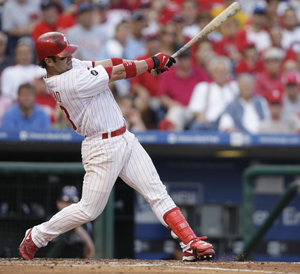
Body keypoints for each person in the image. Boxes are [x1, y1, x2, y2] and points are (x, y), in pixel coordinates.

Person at [19, 31, 215, 262]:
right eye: (63, 56)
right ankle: (37, 236)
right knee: (89, 210)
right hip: (101, 146)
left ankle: (190, 243)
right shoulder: (67, 81)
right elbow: (118, 72)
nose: (69, 57)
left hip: (124, 136)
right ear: (49, 61)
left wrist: (149, 65)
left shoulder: (70, 67)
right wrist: (152, 62)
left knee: (157, 192)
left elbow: (110, 63)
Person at [158, 47, 211, 131]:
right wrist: (171, 103)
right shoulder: (169, 74)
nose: (185, 60)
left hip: (197, 110)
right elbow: (162, 95)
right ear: (178, 59)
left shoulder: (199, 72)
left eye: (188, 57)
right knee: (176, 111)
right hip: (179, 108)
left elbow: (210, 88)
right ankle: (172, 139)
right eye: (183, 58)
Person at [188, 56, 238, 131]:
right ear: (212, 72)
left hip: (232, 124)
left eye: (224, 71)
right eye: (218, 71)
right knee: (198, 126)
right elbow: (194, 110)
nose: (221, 74)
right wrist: (200, 116)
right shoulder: (203, 87)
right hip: (210, 124)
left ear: (228, 73)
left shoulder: (234, 87)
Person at [45, 186, 95, 258]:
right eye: (67, 202)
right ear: (58, 203)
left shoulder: (86, 224)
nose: (70, 206)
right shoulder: (51, 220)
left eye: (73, 202)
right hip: (54, 262)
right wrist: (88, 241)